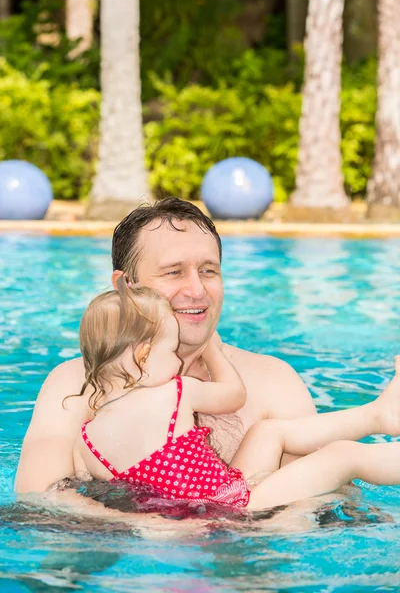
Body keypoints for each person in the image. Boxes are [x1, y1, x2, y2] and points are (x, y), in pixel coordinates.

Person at [16, 198, 319, 495]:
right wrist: (159, 527)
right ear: (125, 287)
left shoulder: (273, 381)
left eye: (208, 271)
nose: (197, 290)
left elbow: (324, 506)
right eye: (174, 272)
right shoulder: (73, 387)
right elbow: (42, 504)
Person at [73, 277, 400, 510]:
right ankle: (381, 416)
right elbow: (233, 396)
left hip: (198, 520)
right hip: (237, 508)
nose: (178, 358)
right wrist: (213, 350)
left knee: (267, 432)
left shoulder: (86, 443)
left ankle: (380, 415)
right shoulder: (176, 392)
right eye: (172, 349)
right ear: (144, 356)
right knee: (341, 456)